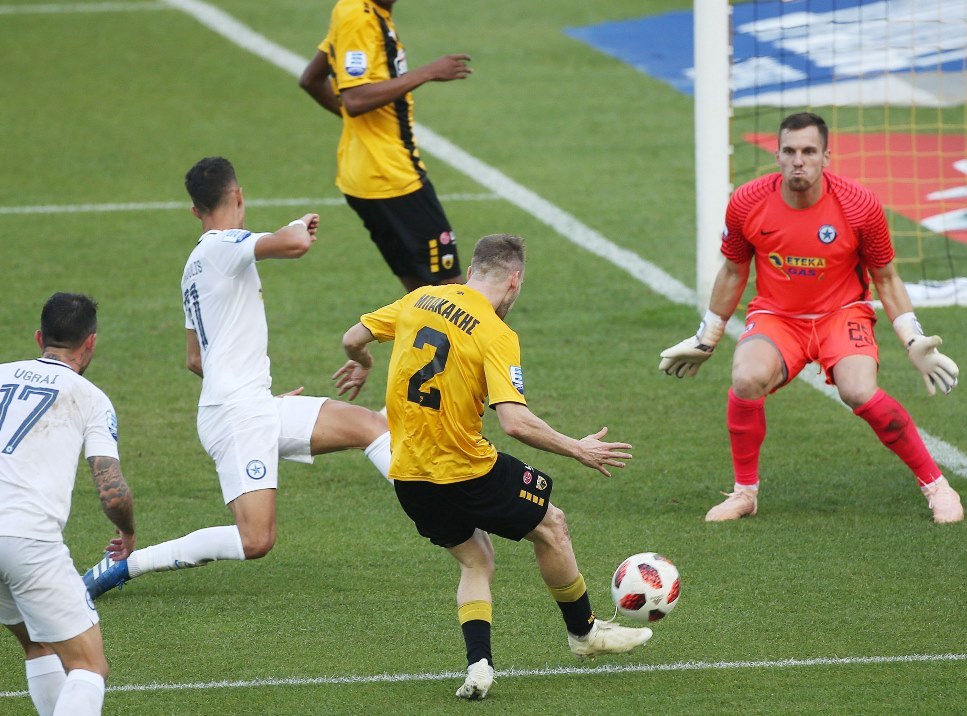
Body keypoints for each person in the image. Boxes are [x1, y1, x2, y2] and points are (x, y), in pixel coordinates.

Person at [337, 233, 652, 701]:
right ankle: (584, 633)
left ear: (469, 273)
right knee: (551, 525)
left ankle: (479, 665)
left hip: (408, 476)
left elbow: (352, 338)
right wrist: (579, 449)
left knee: (476, 560)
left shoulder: (420, 298)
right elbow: (515, 422)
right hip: (467, 470)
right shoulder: (496, 333)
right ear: (515, 281)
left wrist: (362, 362)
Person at [82, 157, 391, 599]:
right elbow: (295, 243)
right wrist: (300, 222)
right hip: (237, 412)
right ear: (238, 195)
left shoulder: (193, 266)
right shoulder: (222, 245)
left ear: (195, 210)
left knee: (371, 426)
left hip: (249, 404)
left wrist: (251, 394)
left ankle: (449, 514)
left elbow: (195, 359)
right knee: (256, 539)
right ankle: (126, 566)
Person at [659, 111, 963, 524]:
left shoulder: (859, 206)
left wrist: (912, 340)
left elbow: (886, 277)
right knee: (746, 379)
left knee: (860, 391)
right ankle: (745, 493)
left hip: (842, 313)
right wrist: (707, 337)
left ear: (826, 157)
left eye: (808, 151)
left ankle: (937, 486)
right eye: (789, 151)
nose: (798, 160)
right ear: (777, 156)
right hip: (778, 316)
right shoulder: (747, 202)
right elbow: (733, 271)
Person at [1, 293, 136, 715]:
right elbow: (112, 490)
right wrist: (128, 530)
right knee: (89, 664)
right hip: (27, 539)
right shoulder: (89, 396)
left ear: (39, 337)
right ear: (90, 342)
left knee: (39, 644)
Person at [299, 0, 471, 292]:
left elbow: (311, 80)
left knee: (420, 294)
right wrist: (428, 72)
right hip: (392, 176)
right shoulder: (360, 17)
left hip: (365, 175)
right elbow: (355, 99)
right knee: (452, 292)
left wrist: (363, 128)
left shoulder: (358, 11)